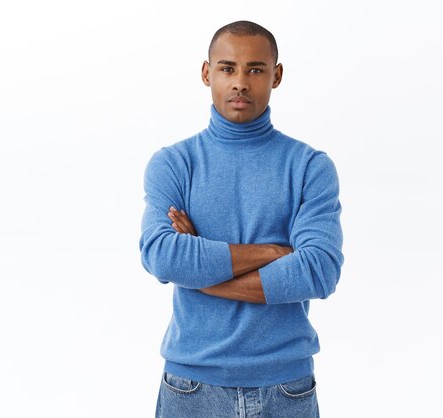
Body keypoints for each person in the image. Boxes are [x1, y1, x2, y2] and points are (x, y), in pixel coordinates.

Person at [139, 20, 344, 418]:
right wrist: (272, 251)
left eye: (255, 69)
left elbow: (319, 271)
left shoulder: (309, 167)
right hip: (191, 387)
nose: (240, 83)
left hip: (286, 388)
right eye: (227, 68)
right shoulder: (174, 164)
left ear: (276, 75)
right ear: (206, 73)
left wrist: (202, 274)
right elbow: (162, 256)